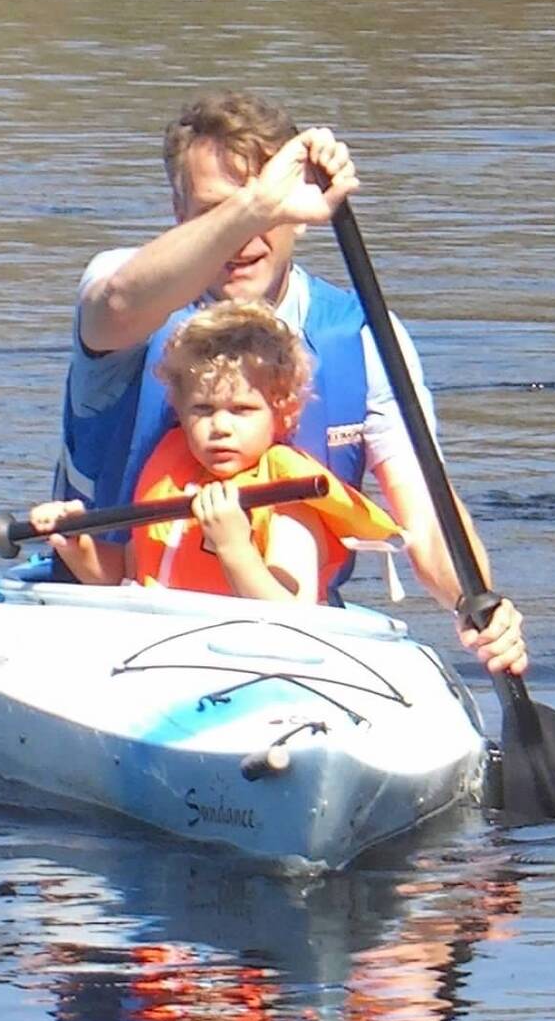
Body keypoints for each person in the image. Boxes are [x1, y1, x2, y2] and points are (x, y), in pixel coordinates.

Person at [50, 90, 529, 674]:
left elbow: (427, 523)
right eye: (217, 214)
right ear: (179, 215)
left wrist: (475, 603)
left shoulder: (364, 336)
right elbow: (119, 303)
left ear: (301, 216)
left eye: (270, 215)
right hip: (110, 616)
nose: (244, 241)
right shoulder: (122, 288)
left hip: (288, 627)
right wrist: (256, 203)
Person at [33, 301, 401, 604]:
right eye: (203, 410)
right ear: (179, 410)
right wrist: (78, 546)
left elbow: (292, 615)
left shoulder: (291, 503)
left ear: (282, 411)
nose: (220, 427)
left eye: (242, 410)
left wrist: (234, 548)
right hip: (154, 644)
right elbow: (124, 575)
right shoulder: (171, 478)